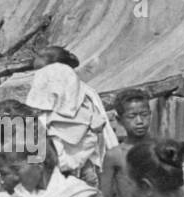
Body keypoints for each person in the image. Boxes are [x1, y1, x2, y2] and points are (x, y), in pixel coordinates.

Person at [26, 53, 118, 187]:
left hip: (87, 167)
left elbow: (105, 135)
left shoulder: (85, 95)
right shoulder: (39, 102)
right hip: (51, 172)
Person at [100, 89, 154, 197]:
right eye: (132, 116)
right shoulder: (114, 156)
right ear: (119, 120)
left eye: (144, 115)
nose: (139, 121)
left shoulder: (161, 151)